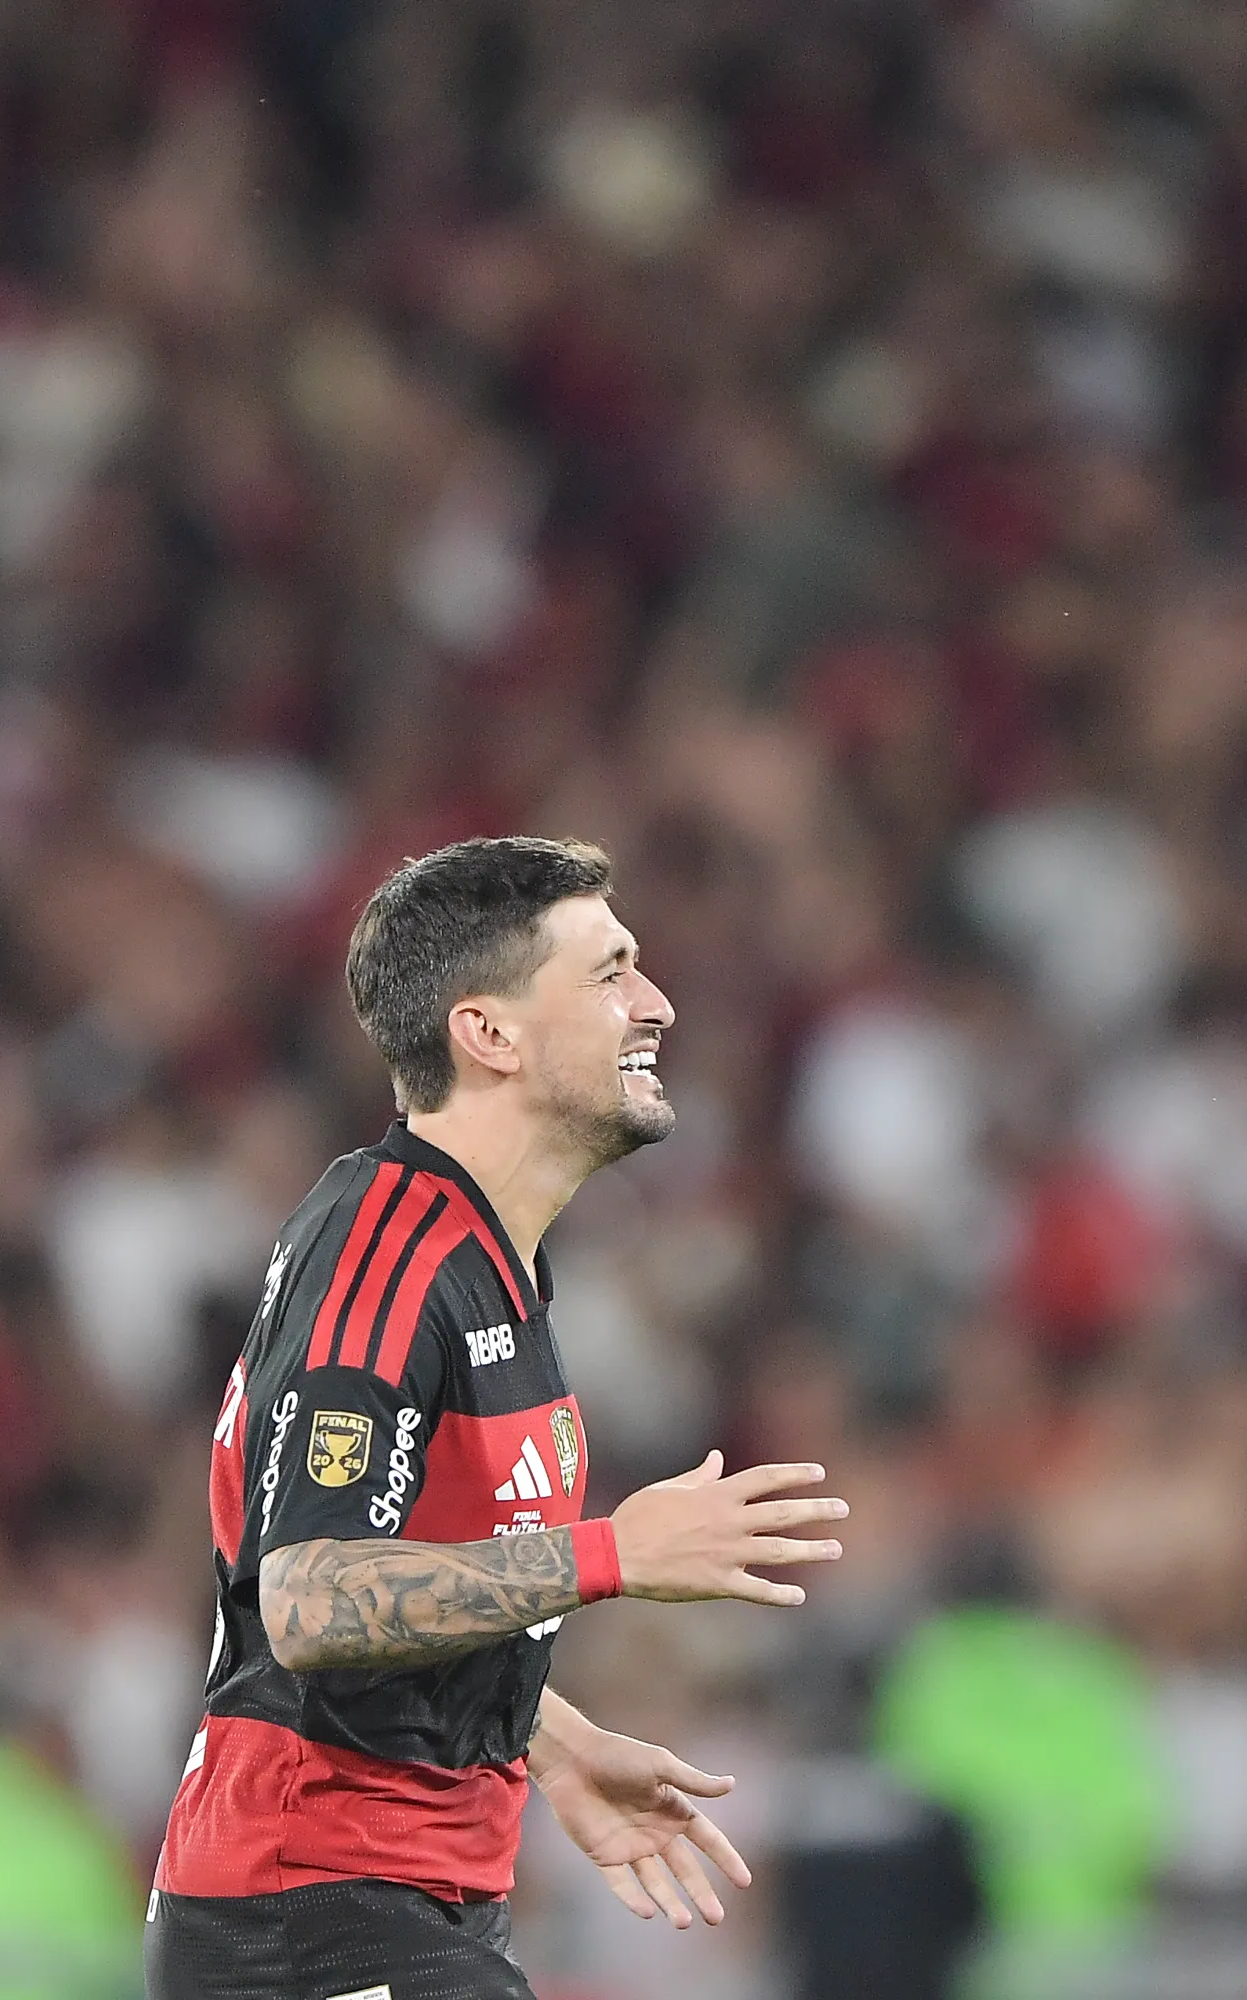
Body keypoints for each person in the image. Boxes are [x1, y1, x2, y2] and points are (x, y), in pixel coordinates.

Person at [145, 837, 848, 2000]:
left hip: (404, 1905)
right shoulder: (385, 1257)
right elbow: (308, 1596)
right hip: (310, 1908)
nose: (656, 1003)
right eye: (609, 972)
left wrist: (547, 1740)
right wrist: (612, 1552)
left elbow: (410, 1580)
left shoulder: (484, 1258)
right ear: (490, 1034)